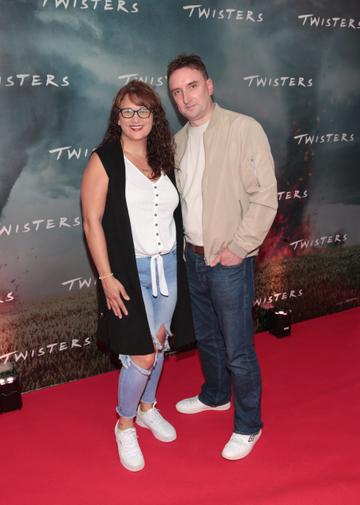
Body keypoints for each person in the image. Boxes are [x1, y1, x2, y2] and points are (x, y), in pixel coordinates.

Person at [167, 54, 278, 460]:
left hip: (228, 259)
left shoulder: (243, 129)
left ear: (209, 85)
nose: (185, 97)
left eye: (191, 86)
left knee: (237, 347)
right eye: (177, 91)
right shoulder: (178, 143)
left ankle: (249, 425)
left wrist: (239, 247)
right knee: (208, 339)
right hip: (193, 258)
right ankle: (215, 396)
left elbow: (265, 197)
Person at [81, 80, 193, 472]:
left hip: (168, 270)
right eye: (127, 111)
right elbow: (91, 222)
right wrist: (106, 277)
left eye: (143, 110)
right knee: (142, 353)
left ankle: (148, 407)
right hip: (129, 273)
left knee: (159, 344)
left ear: (154, 116)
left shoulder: (163, 157)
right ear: (117, 117)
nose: (135, 118)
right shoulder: (105, 159)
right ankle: (124, 423)